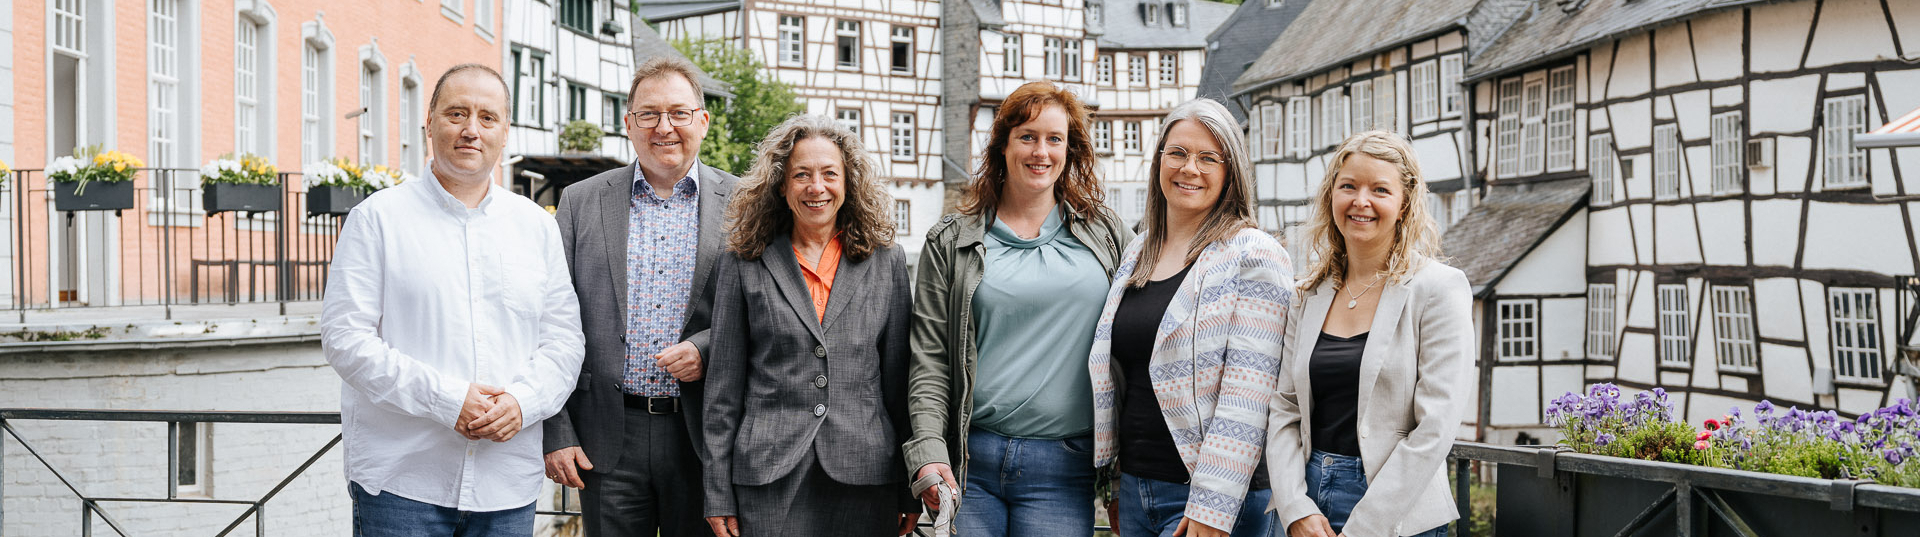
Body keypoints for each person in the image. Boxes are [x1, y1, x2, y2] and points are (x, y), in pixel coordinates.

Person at [320, 63, 585, 536]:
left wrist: (523, 403)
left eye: (487, 118)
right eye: (456, 114)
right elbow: (345, 340)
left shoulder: (537, 227)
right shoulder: (376, 220)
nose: (471, 130)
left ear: (505, 133)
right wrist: (446, 399)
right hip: (402, 483)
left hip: (506, 485)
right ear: (429, 123)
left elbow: (564, 341)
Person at [904, 80, 1132, 537]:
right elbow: (929, 361)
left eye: (1054, 139)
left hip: (1066, 466)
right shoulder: (950, 241)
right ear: (1003, 145)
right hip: (970, 464)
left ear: (1071, 150)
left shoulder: (1106, 236)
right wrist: (928, 450)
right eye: (1027, 137)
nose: (1040, 152)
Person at [542, 57, 741, 537]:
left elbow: (769, 312)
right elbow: (547, 320)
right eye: (649, 114)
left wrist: (708, 348)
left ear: (702, 121)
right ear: (629, 124)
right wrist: (558, 431)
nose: (664, 127)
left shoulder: (746, 203)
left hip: (705, 434)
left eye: (678, 113)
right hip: (607, 437)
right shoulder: (580, 202)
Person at [699, 114, 919, 536]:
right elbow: (722, 392)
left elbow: (899, 384)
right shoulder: (742, 261)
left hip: (866, 475)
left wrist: (907, 488)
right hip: (768, 475)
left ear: (848, 182)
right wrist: (717, 491)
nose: (816, 187)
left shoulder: (886, 261)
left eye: (829, 174)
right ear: (781, 185)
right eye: (801, 175)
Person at [1088, 98, 1290, 537]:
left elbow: (1249, 395)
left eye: (1207, 157)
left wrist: (1211, 509)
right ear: (1159, 158)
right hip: (1140, 490)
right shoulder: (1138, 251)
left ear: (1230, 171)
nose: (1189, 168)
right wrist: (1118, 483)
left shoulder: (1254, 254)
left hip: (1210, 499)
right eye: (1177, 152)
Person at [1266, 130, 1474, 537]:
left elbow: (1435, 427)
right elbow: (1285, 409)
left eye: (1379, 189)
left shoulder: (1438, 289)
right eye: (1348, 186)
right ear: (1331, 197)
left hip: (1397, 510)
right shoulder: (1307, 294)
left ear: (1404, 204)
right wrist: (1294, 507)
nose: (1361, 201)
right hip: (1308, 505)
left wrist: (1365, 527)